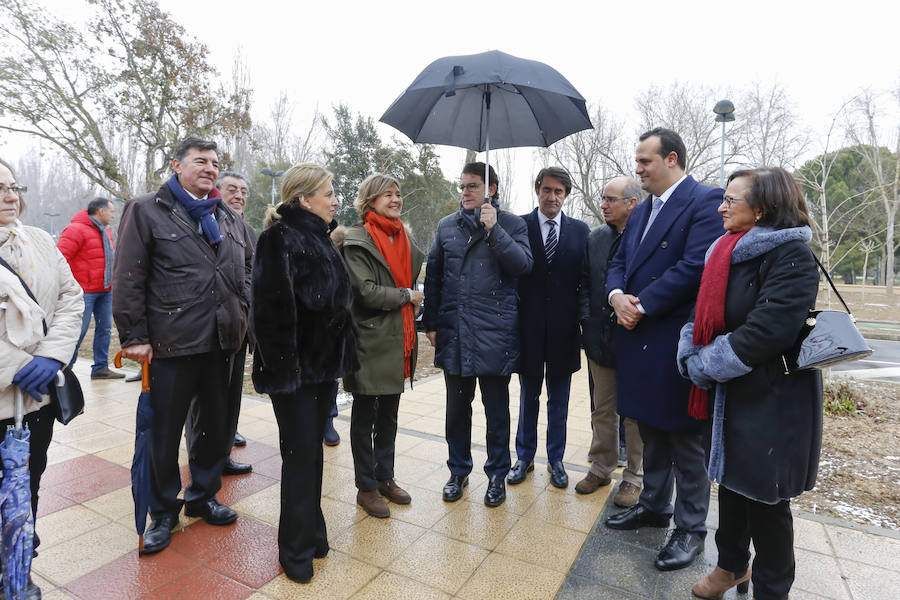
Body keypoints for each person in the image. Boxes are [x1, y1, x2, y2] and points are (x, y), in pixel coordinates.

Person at [679, 168, 821, 600]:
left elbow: (767, 331)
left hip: (773, 400)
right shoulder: (725, 251)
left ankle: (773, 588)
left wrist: (706, 364)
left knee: (766, 500)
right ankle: (731, 568)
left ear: (762, 208)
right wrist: (689, 350)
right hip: (732, 396)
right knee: (733, 488)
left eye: (731, 200)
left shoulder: (791, 254)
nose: (721, 207)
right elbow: (700, 312)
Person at [113, 137, 252, 555]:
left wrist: (242, 312)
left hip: (221, 341)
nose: (210, 168)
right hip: (171, 344)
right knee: (164, 434)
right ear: (177, 165)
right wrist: (134, 336)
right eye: (200, 161)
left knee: (213, 427)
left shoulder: (225, 216)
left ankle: (203, 495)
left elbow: (243, 270)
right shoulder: (146, 210)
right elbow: (129, 276)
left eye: (214, 162)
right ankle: (163, 511)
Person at [604, 128, 723, 572]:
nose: (638, 170)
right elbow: (619, 261)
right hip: (635, 333)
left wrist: (643, 304)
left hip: (673, 339)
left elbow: (696, 266)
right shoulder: (641, 210)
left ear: (671, 159)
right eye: (637, 162)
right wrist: (617, 296)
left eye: (645, 161)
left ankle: (691, 528)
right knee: (650, 428)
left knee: (685, 439)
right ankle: (655, 506)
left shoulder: (704, 202)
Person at [251, 163, 358, 583]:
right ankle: (293, 550)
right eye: (329, 193)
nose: (335, 200)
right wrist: (285, 374)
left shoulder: (320, 238)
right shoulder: (277, 239)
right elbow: (270, 313)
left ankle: (312, 531)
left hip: (320, 371)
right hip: (294, 374)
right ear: (303, 199)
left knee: (311, 455)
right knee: (299, 459)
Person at [423, 162, 532, 508]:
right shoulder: (447, 227)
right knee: (457, 409)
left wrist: (495, 230)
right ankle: (458, 470)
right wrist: (431, 324)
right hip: (456, 333)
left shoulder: (513, 224)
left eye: (472, 186)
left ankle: (497, 474)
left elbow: (522, 266)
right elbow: (435, 279)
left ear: (492, 189)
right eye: (463, 186)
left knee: (496, 411)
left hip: (494, 334)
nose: (465, 192)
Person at [1, 158, 83, 599]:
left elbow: (72, 298)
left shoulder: (38, 240)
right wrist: (13, 368)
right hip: (3, 395)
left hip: (35, 400)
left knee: (27, 481)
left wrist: (52, 357)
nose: (11, 197)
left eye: (13, 187)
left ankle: (17, 566)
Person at [337, 174, 424, 518]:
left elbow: (410, 280)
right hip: (370, 340)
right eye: (388, 194)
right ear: (369, 200)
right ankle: (366, 486)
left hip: (398, 341)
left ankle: (385, 477)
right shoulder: (356, 239)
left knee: (389, 414)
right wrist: (407, 295)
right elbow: (367, 292)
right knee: (364, 416)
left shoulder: (403, 236)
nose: (396, 199)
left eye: (398, 194)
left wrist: (412, 296)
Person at [509, 167, 588, 489]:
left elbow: (584, 281)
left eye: (558, 191)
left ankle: (556, 460)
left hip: (564, 331)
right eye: (546, 190)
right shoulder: (519, 226)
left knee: (560, 401)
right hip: (527, 329)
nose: (552, 196)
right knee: (529, 397)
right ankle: (524, 458)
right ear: (537, 190)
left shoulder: (581, 231)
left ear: (566, 195)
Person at [575, 176, 645, 508]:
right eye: (602, 199)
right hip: (599, 338)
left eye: (610, 199)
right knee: (602, 408)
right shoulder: (596, 238)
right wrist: (587, 320)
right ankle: (601, 467)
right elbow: (586, 284)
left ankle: (634, 477)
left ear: (632, 202)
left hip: (636, 337)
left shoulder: (648, 236)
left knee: (633, 413)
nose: (603, 205)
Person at [185, 171, 254, 477]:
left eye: (244, 191)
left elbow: (252, 271)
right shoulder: (200, 223)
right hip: (203, 329)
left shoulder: (246, 229)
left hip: (237, 326)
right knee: (202, 403)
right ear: (216, 191)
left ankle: (222, 454)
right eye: (232, 189)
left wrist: (245, 300)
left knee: (231, 396)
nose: (239, 195)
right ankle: (202, 461)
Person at [57, 196, 125, 379]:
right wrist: (71, 286)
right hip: (84, 292)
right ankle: (64, 372)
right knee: (78, 332)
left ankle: (100, 368)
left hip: (105, 290)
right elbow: (60, 259)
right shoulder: (75, 230)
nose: (113, 215)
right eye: (111, 211)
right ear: (101, 211)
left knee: (104, 329)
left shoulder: (105, 231)